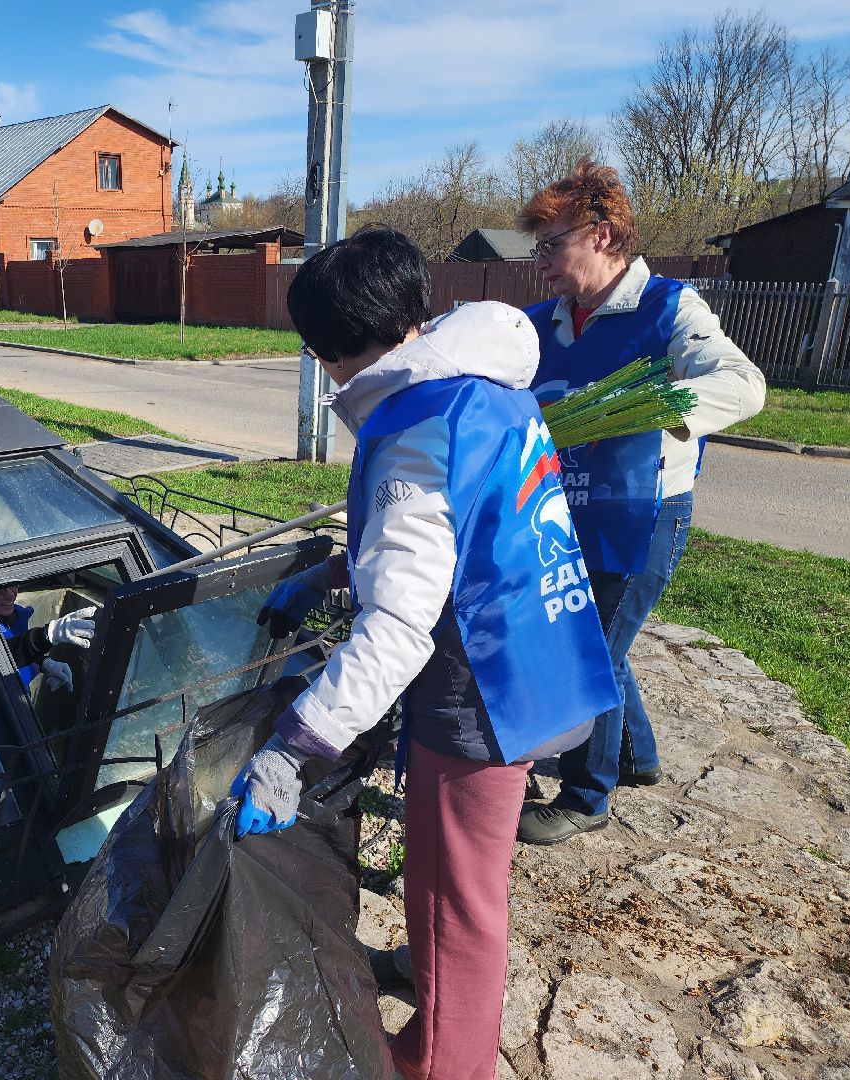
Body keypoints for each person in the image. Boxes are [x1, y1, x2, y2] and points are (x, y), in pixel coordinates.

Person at [235, 226, 620, 1080]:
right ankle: (439, 994)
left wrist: (295, 747)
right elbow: (465, 531)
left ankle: (444, 1063)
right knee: (463, 889)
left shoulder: (416, 426)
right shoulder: (482, 387)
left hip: (481, 690)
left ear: (330, 349)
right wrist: (340, 568)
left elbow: (399, 629)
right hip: (536, 659)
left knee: (456, 906)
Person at [514, 160, 766, 846]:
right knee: (605, 635)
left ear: (600, 235)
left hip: (644, 514)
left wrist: (651, 409)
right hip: (564, 511)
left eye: (551, 244)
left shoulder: (670, 309)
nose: (541, 261)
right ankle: (636, 756)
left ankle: (585, 794)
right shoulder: (541, 324)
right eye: (537, 247)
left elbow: (743, 384)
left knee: (590, 647)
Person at [0, 582, 95, 693]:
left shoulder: (15, 615)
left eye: (14, 584)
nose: (10, 596)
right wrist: (46, 635)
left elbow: (18, 649)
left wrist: (42, 663)